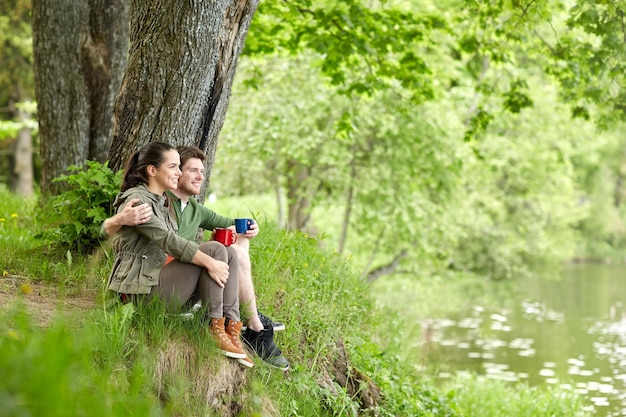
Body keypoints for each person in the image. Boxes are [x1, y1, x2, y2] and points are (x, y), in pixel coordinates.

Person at [104, 145, 289, 371]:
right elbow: (168, 241)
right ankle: (215, 325)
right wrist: (210, 262)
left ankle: (229, 327)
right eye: (174, 167)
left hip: (156, 285)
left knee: (228, 251)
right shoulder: (138, 201)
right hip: (136, 295)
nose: (179, 173)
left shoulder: (161, 201)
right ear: (153, 170)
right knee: (214, 251)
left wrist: (247, 228)